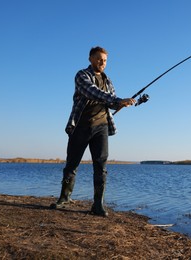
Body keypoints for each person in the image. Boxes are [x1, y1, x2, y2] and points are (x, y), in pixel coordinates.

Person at [50, 46, 136, 216]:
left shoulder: (108, 81)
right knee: (72, 164)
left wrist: (122, 103)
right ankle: (64, 198)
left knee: (101, 166)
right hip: (81, 126)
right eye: (98, 59)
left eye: (104, 60)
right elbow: (93, 93)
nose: (102, 62)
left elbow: (110, 103)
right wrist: (117, 100)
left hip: (101, 127)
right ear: (90, 58)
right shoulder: (82, 75)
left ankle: (98, 205)